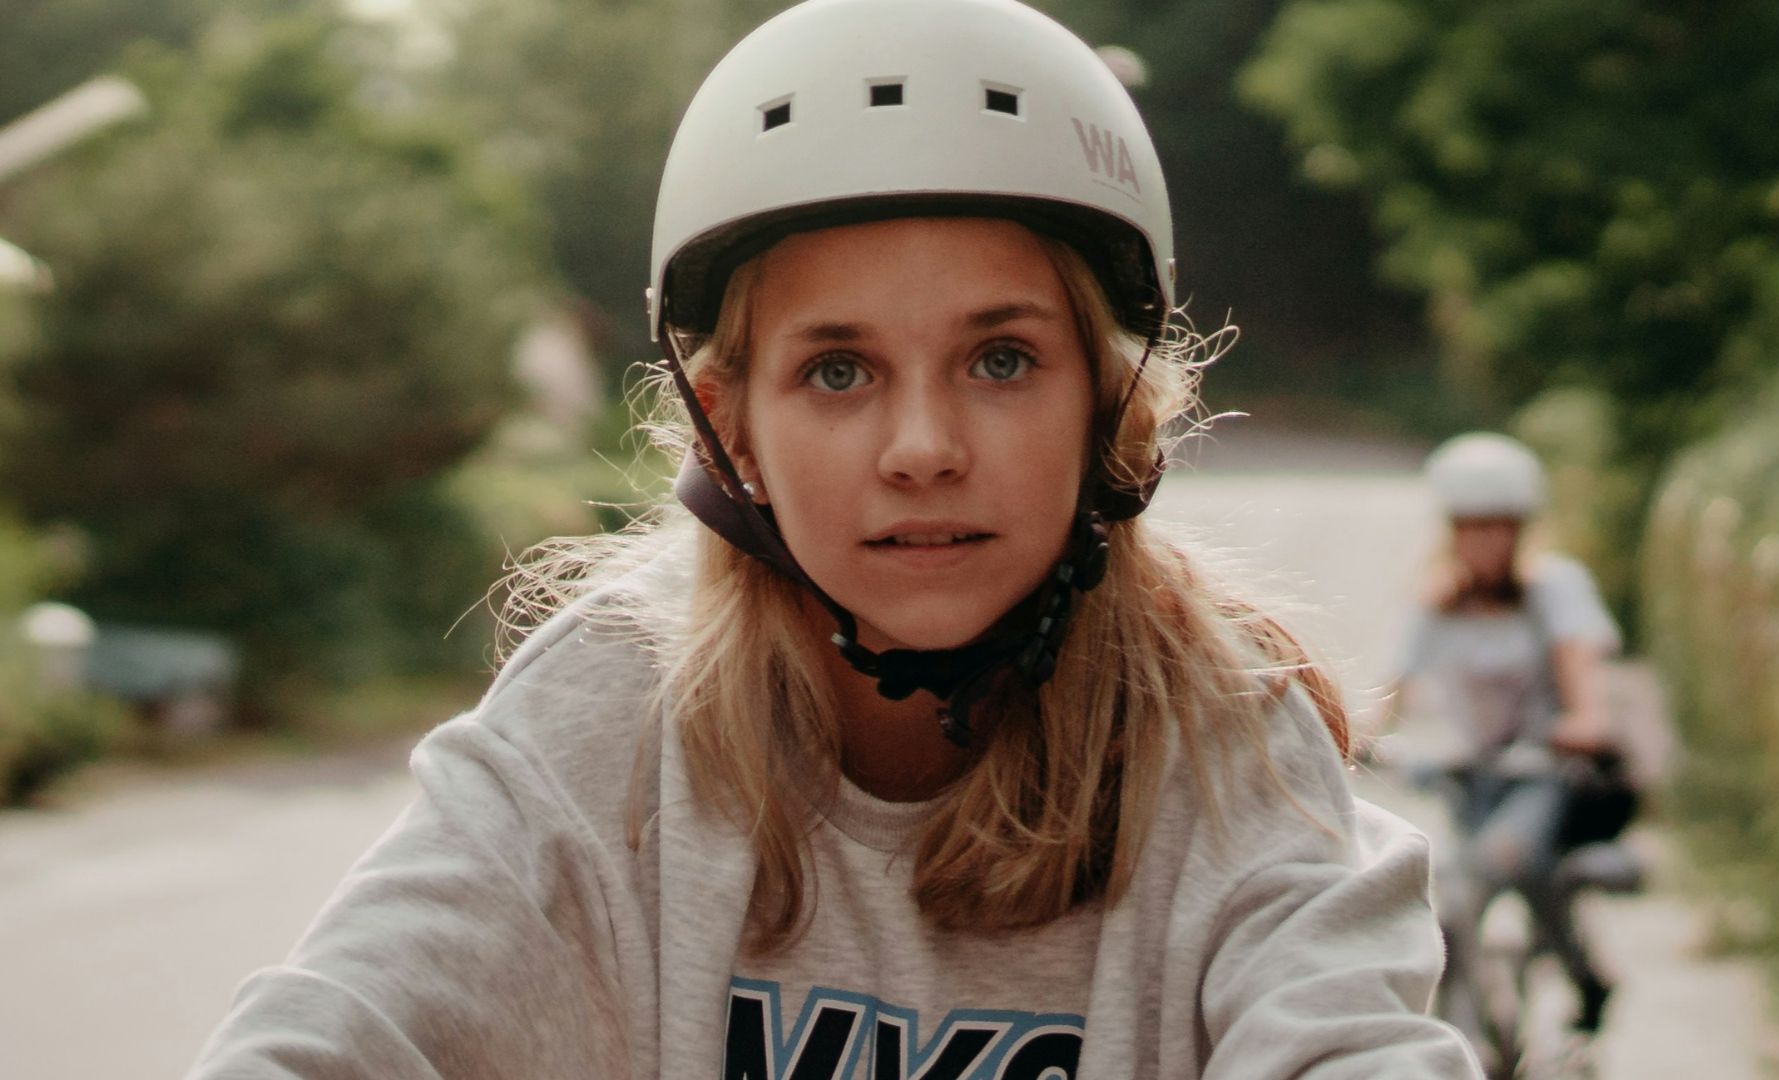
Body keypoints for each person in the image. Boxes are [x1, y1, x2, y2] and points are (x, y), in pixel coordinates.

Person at [187, 1, 1478, 1076]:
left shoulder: (1225, 739)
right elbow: (338, 1025)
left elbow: (1349, 1035)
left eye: (1001, 357)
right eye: (839, 371)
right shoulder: (611, 714)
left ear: (1107, 402)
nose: (923, 447)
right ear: (730, 427)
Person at [1392, 431, 1629, 1049]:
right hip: (1470, 776)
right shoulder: (1436, 603)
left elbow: (1583, 680)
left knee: (1504, 863)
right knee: (1450, 896)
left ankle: (1584, 976)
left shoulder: (1554, 590)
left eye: (1499, 526)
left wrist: (1584, 722)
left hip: (1543, 774)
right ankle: (1461, 1032)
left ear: (1521, 529)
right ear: (1450, 530)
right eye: (1471, 526)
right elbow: (1390, 696)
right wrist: (1349, 738)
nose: (1485, 541)